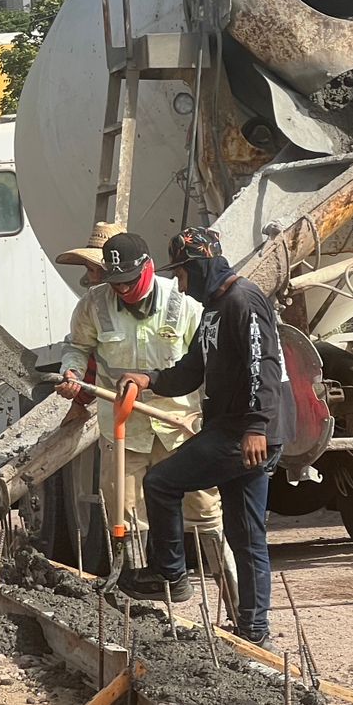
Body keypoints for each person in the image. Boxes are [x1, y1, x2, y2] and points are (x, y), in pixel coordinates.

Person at [118, 227, 295, 646]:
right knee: (246, 534)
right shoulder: (215, 308)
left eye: (182, 274)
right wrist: (148, 379)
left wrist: (256, 426)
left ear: (201, 267)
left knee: (161, 482)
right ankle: (254, 630)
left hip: (244, 434)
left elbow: (264, 366)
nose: (180, 283)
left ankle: (171, 574)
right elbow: (191, 370)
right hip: (235, 431)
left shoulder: (243, 300)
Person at [51, 228, 225, 574]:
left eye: (130, 281)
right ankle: (138, 590)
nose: (123, 290)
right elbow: (78, 347)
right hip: (124, 429)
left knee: (204, 507)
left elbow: (209, 359)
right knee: (125, 512)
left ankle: (232, 592)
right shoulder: (93, 305)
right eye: (117, 283)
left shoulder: (183, 302)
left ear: (148, 267)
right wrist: (71, 374)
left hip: (179, 427)